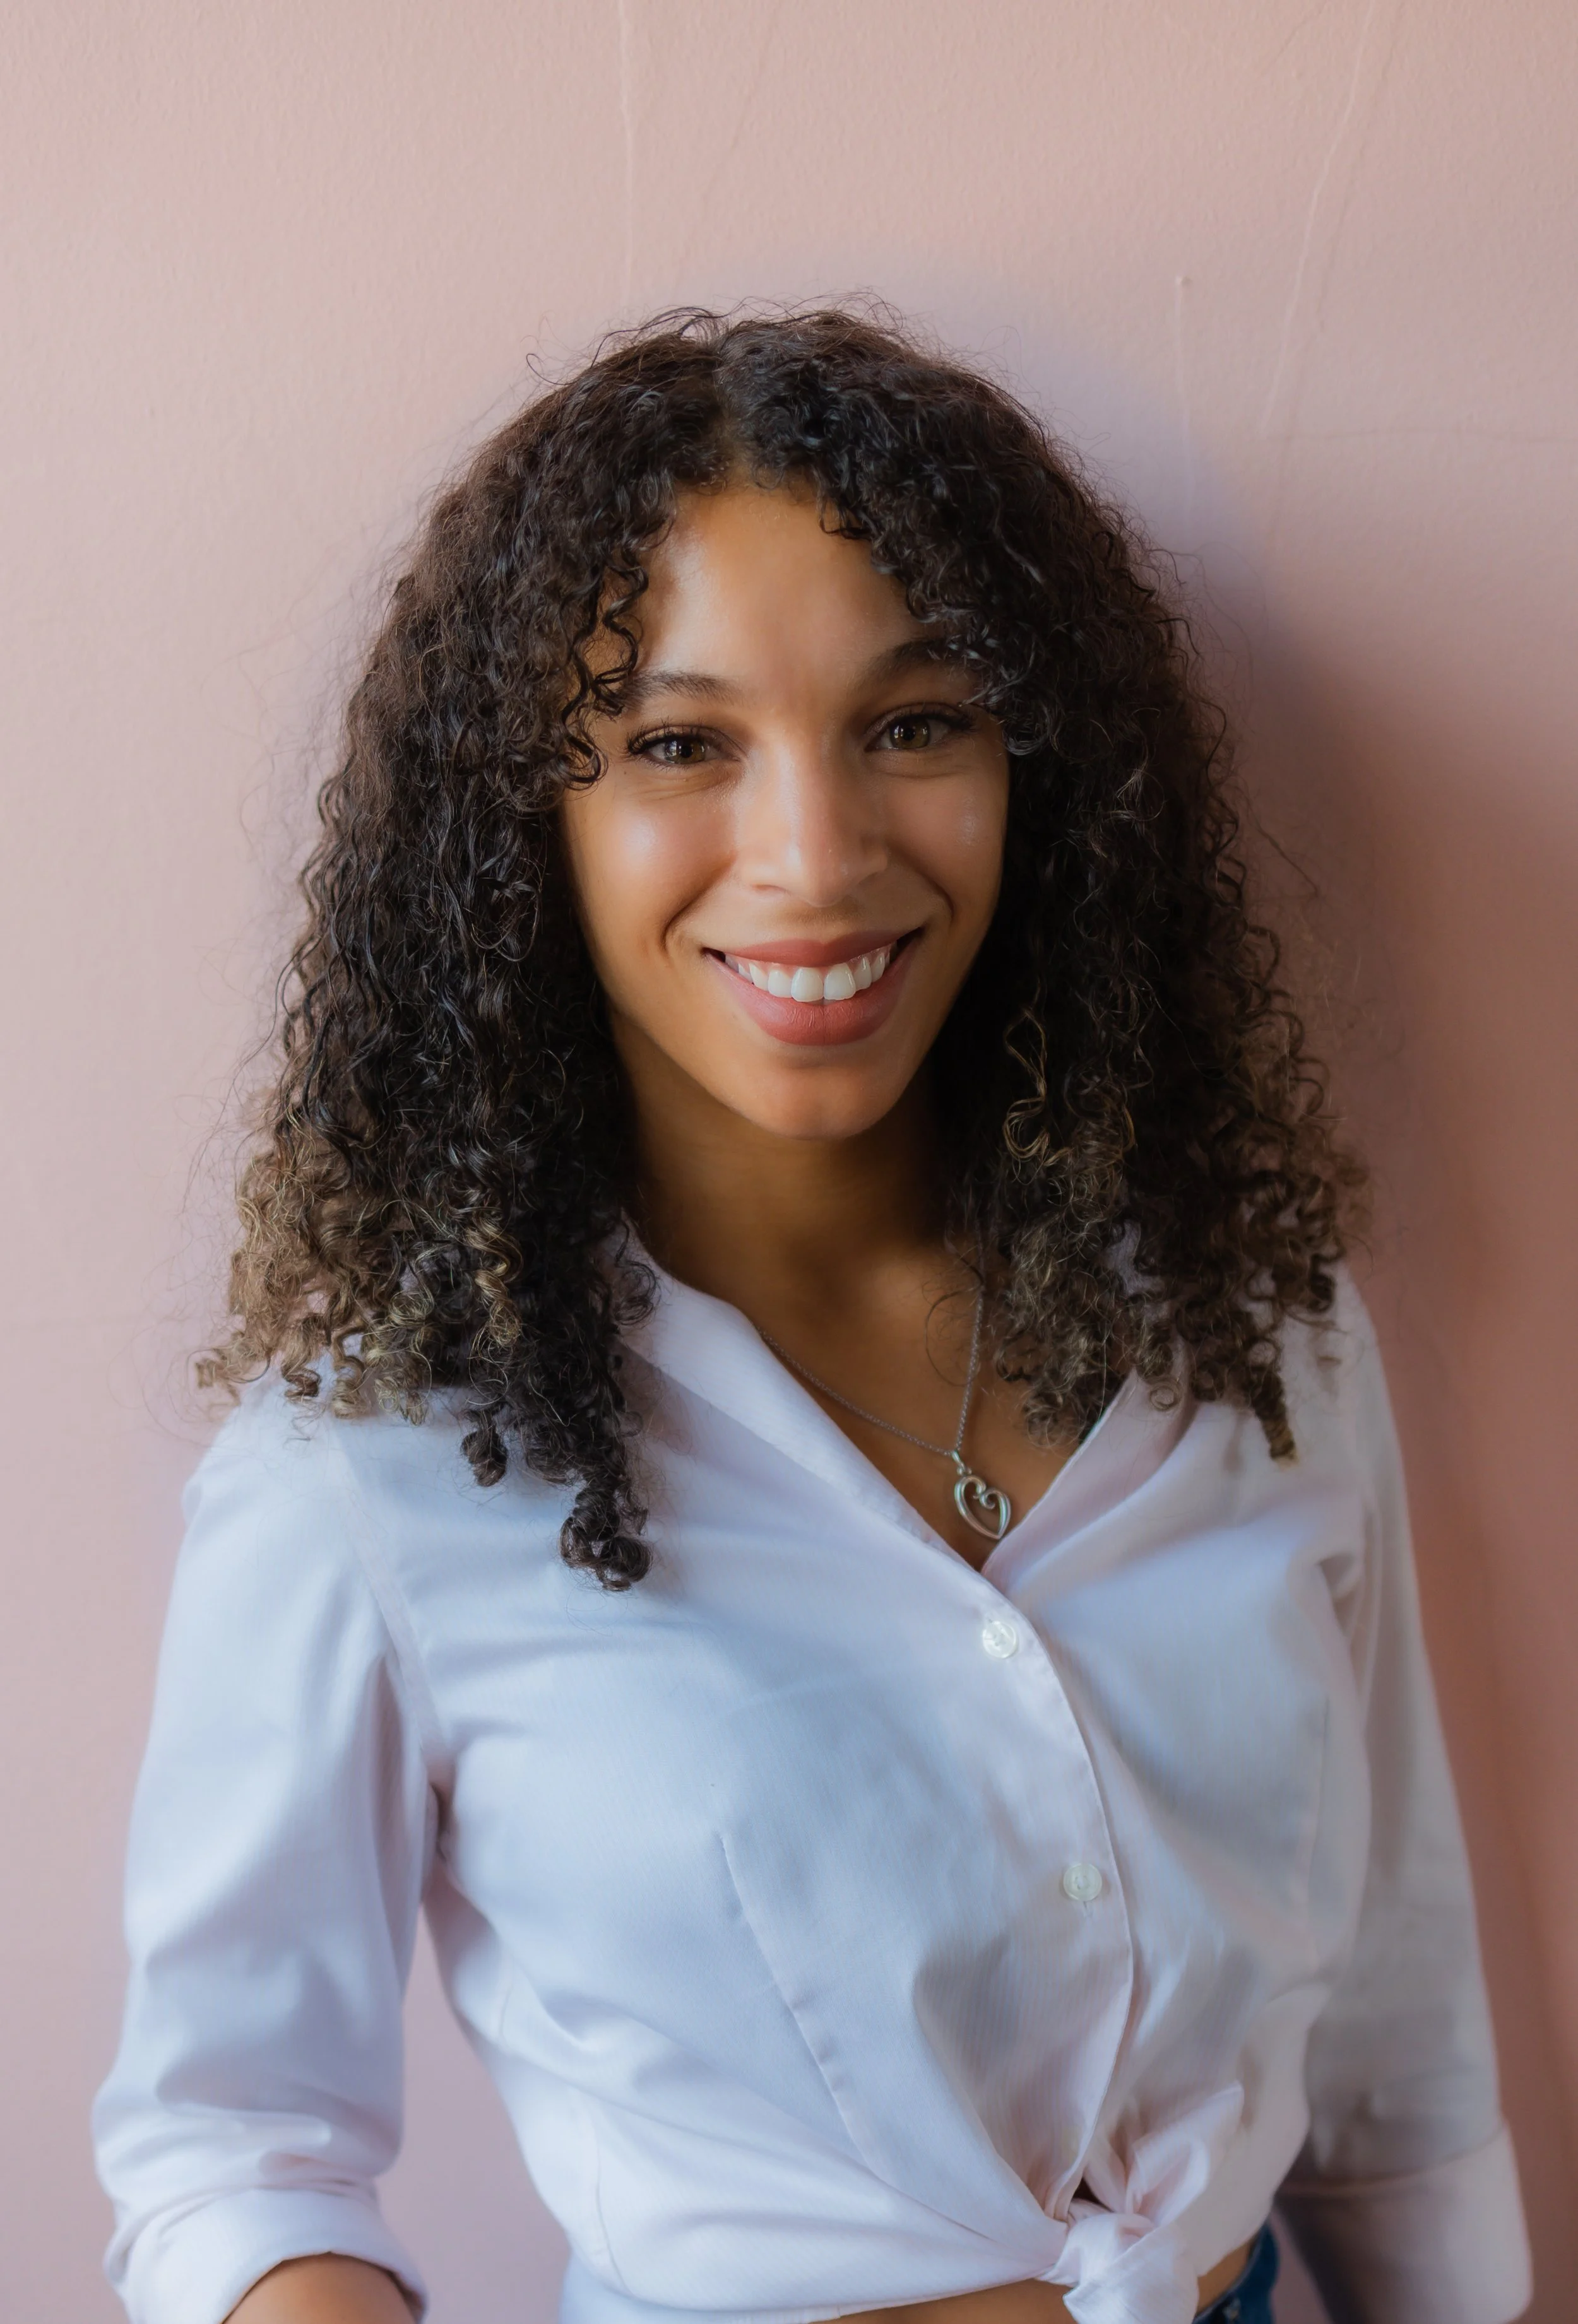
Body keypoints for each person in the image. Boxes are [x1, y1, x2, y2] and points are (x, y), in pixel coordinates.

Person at [93, 309, 1531, 2324]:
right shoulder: (371, 1459)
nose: (817, 858)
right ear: (525, 825)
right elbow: (231, 2148)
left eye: (916, 721)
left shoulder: (1252, 1321)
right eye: (680, 745)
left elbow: (1386, 1997)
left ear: (1036, 769)